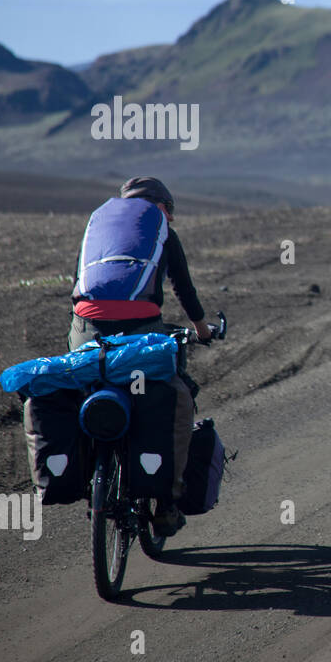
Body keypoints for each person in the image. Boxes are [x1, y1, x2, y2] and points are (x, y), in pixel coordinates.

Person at [70, 176, 211, 536]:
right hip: (140, 328)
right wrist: (202, 329)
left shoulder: (99, 227)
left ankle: (89, 480)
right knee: (169, 395)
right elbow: (183, 287)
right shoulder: (162, 231)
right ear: (160, 206)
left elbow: (80, 285)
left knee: (83, 385)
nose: (172, 220)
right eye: (171, 211)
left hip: (85, 326)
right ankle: (165, 504)